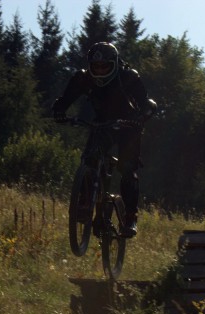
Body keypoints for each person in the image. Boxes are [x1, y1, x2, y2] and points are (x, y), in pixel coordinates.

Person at [52, 42, 157, 237]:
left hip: (128, 126)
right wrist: (59, 111)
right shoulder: (82, 79)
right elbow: (64, 100)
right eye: (96, 67)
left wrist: (142, 117)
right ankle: (85, 204)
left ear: (115, 64)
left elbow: (147, 103)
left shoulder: (128, 77)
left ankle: (130, 217)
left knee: (127, 169)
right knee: (90, 159)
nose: (100, 71)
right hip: (102, 124)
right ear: (90, 66)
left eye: (105, 66)